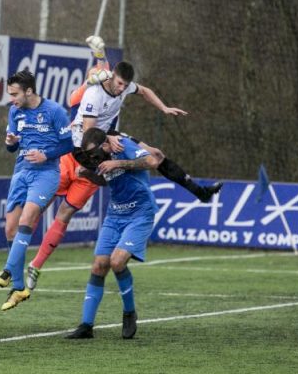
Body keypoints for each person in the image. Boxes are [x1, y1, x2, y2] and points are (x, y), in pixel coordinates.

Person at [24, 35, 222, 291]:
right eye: (118, 83)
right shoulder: (93, 94)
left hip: (104, 144)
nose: (121, 89)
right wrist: (108, 136)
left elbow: (144, 91)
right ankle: (18, 258)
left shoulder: (121, 85)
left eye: (123, 85)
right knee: (41, 205)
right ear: (110, 77)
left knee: (155, 156)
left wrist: (163, 108)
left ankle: (199, 192)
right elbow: (88, 132)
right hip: (81, 149)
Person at [64, 127, 160, 339]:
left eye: (94, 152)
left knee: (117, 262)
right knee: (99, 265)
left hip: (140, 213)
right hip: (115, 214)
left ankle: (129, 313)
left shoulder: (123, 147)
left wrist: (118, 162)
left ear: (106, 144)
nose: (93, 157)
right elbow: (106, 179)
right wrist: (89, 174)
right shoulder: (99, 157)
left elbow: (153, 161)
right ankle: (86, 325)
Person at [0, 69, 72, 311]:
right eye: (10, 94)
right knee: (10, 229)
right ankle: (19, 288)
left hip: (46, 174)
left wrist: (46, 154)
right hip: (21, 172)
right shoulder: (15, 111)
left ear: (29, 91)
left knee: (28, 218)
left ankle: (7, 270)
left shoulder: (55, 111)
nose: (12, 99)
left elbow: (69, 144)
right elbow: (11, 148)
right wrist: (11, 143)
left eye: (15, 94)